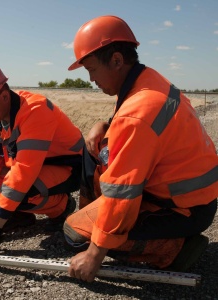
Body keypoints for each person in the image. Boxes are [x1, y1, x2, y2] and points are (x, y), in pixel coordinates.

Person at [63, 15, 218, 282]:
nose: (90, 79)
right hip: (195, 199)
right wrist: (104, 125)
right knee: (94, 148)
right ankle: (93, 217)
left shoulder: (137, 113)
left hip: (181, 209)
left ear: (116, 60)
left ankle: (173, 251)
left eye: (91, 70)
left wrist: (94, 253)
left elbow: (123, 194)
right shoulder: (148, 81)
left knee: (73, 234)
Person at [0, 59, 84, 250]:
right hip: (35, 164)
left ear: (4, 96)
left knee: (20, 192)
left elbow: (24, 172)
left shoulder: (36, 111)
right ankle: (18, 214)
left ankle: (62, 207)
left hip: (69, 167)